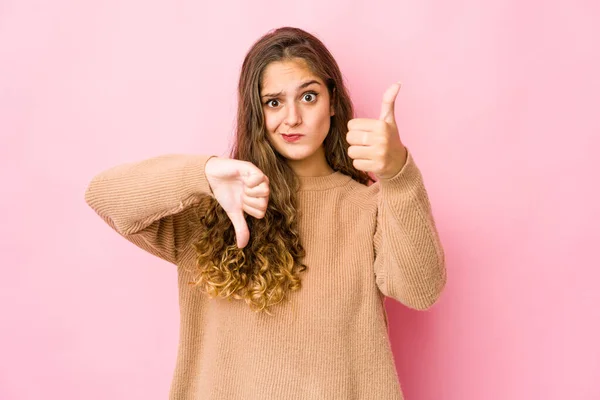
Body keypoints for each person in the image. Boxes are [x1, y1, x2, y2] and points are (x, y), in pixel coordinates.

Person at [85, 26, 446, 400]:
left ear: (333, 101)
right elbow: (103, 195)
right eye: (273, 102)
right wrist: (204, 173)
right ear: (255, 111)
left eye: (308, 97)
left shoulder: (368, 207)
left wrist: (398, 174)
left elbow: (421, 291)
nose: (292, 118)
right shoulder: (217, 203)